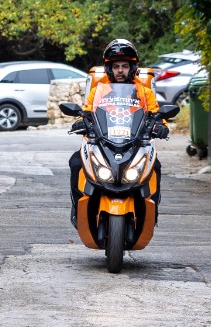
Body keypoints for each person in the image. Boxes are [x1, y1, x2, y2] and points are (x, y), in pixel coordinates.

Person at [69, 39, 166, 226]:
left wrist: (160, 126)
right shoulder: (98, 91)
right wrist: (80, 122)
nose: (120, 70)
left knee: (156, 167)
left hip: (136, 143)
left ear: (133, 68)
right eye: (116, 66)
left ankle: (152, 213)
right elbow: (87, 111)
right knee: (75, 162)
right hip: (102, 142)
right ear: (109, 69)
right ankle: (76, 209)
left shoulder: (144, 93)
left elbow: (156, 115)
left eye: (124, 66)